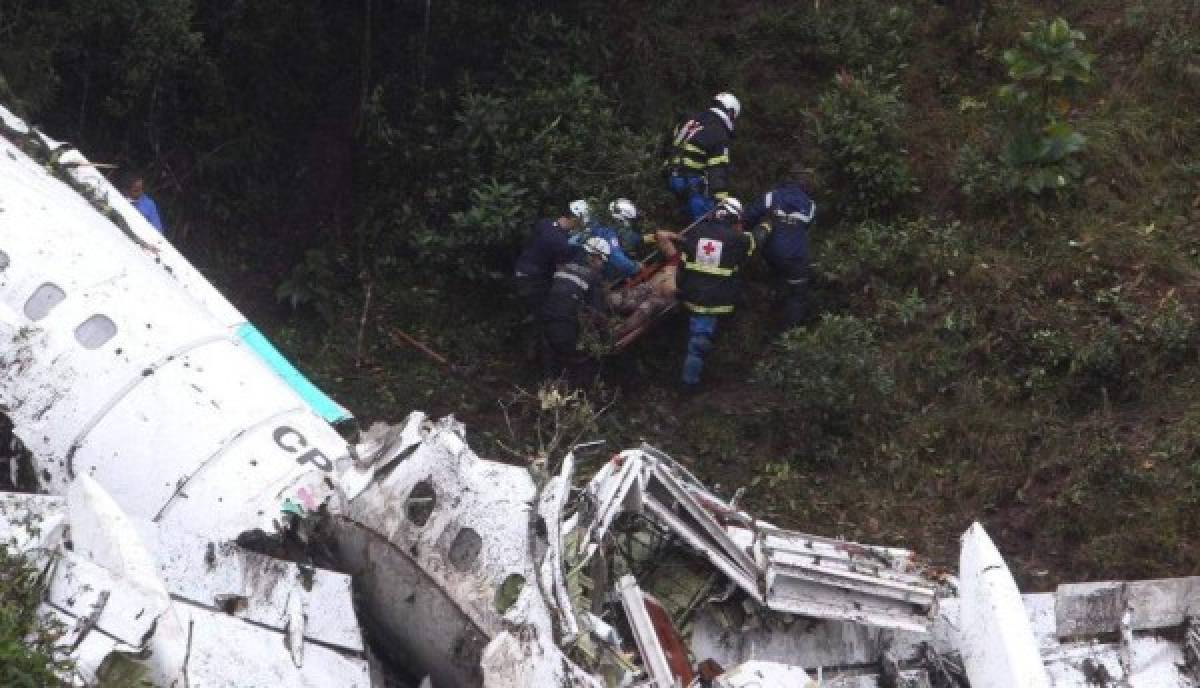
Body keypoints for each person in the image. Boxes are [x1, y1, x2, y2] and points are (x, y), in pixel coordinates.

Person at [658, 197, 755, 388]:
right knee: (699, 342)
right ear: (735, 219)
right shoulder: (738, 239)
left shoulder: (695, 232)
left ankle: (695, 363)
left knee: (697, 334)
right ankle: (689, 384)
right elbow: (750, 246)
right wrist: (765, 227)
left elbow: (682, 261)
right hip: (714, 300)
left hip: (690, 295)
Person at [742, 182, 816, 330]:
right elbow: (808, 226)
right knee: (797, 294)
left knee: (777, 281)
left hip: (772, 254)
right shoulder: (810, 204)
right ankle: (790, 333)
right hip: (797, 257)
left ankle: (769, 320)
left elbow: (748, 216)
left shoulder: (771, 196)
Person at [540, 237, 611, 385]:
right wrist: (605, 338)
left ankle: (548, 388)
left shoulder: (564, 267)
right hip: (566, 327)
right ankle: (576, 393)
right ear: (594, 257)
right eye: (602, 261)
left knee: (551, 367)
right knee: (585, 362)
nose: (602, 265)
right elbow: (597, 313)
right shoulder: (593, 277)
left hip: (545, 323)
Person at [666, 92, 740, 221]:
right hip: (691, 183)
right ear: (731, 112)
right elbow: (718, 170)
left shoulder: (691, 120)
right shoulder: (719, 130)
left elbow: (669, 142)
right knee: (705, 224)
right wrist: (721, 201)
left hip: (671, 177)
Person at [514, 200, 590, 318]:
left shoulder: (544, 223)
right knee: (544, 317)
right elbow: (562, 269)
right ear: (574, 219)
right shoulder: (561, 243)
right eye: (579, 224)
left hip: (521, 271)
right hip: (534, 282)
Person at [570, 197, 641, 282]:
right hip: (608, 279)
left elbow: (631, 239)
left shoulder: (581, 235)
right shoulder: (606, 232)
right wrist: (635, 267)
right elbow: (617, 258)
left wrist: (646, 238)